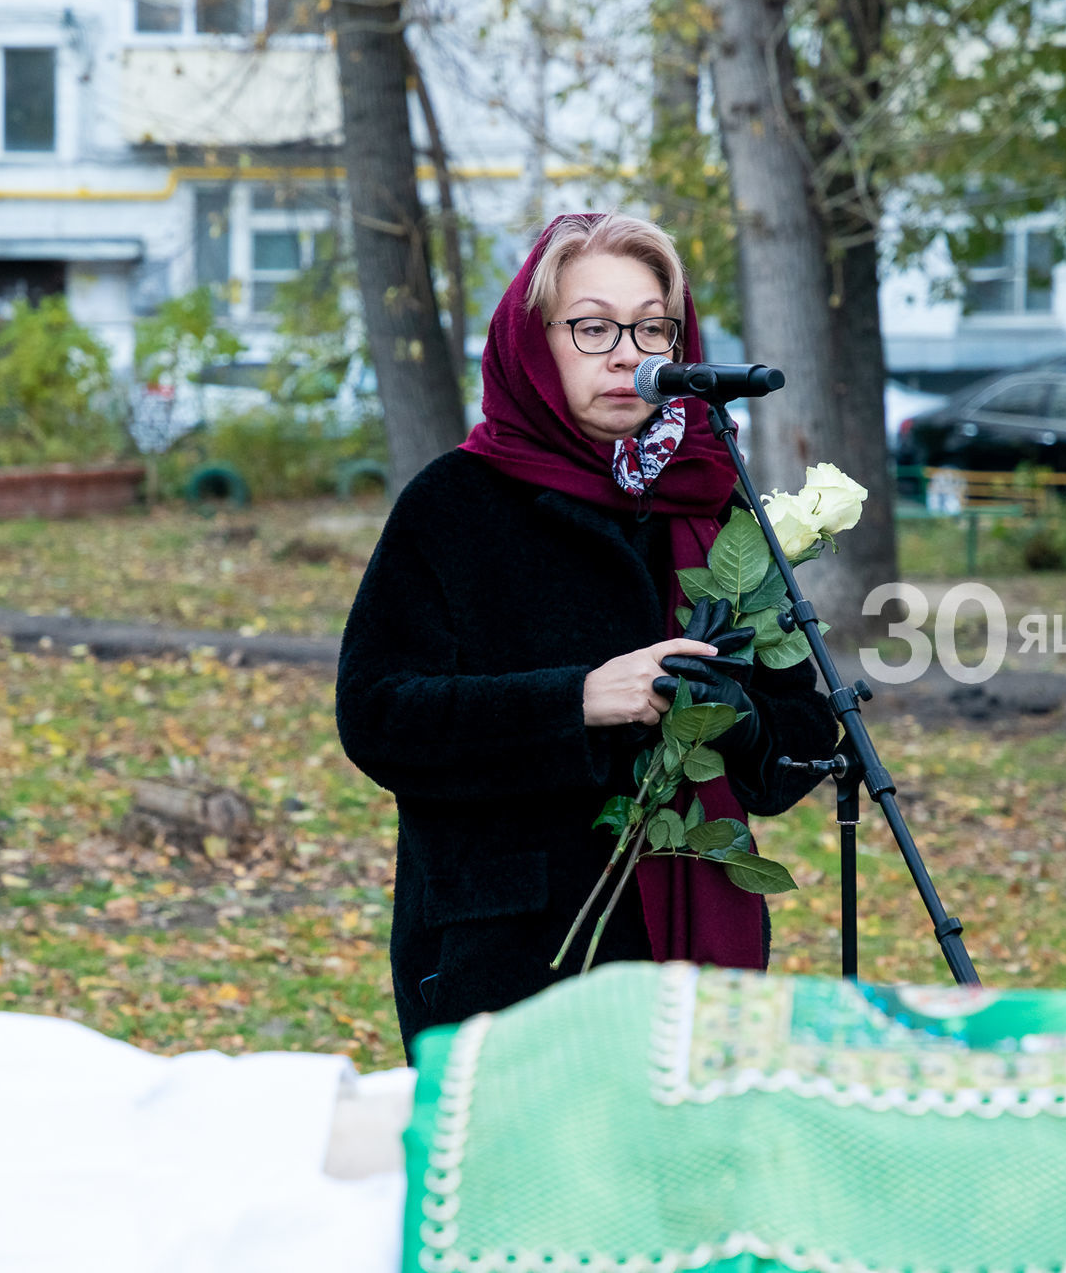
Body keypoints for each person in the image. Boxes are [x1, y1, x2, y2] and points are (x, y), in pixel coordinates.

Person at [335, 212, 839, 1059]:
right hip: (503, 954)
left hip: (687, 951)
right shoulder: (455, 504)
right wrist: (573, 702)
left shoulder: (715, 507)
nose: (629, 355)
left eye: (653, 327)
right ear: (534, 342)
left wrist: (742, 722)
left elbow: (802, 733)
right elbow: (379, 715)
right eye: (594, 327)